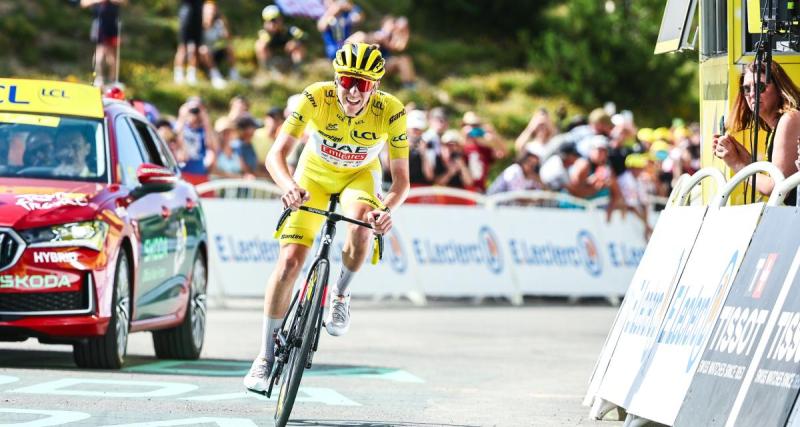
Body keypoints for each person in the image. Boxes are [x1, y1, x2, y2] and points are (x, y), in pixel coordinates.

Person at [243, 42, 409, 393]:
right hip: (313, 175)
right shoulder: (316, 97)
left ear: (374, 88)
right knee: (289, 262)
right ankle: (264, 356)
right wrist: (288, 186)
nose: (351, 90)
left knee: (363, 223)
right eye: (346, 80)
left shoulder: (391, 110)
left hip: (359, 178)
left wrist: (386, 210)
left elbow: (402, 180)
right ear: (336, 78)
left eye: (361, 84)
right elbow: (276, 155)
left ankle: (340, 295)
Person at [713, 60, 800, 205]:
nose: (752, 94)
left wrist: (737, 163)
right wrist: (746, 160)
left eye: (760, 87)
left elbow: (777, 188)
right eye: (746, 89)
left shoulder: (790, 118)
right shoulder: (777, 124)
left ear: (779, 88)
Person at [81, 0, 126, 87]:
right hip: (100, 24)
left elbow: (124, 2)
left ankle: (112, 81)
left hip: (113, 24)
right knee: (100, 51)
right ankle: (99, 79)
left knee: (112, 55)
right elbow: (83, 3)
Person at [175, 97, 217, 184]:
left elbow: (212, 146)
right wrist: (182, 117)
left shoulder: (204, 130)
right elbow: (174, 139)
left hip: (200, 174)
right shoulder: (181, 127)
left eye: (198, 108)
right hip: (182, 173)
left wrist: (206, 122)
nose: (194, 112)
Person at [254, 5, 306, 74]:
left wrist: (295, 43)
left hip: (288, 59)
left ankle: (297, 71)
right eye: (269, 21)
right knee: (260, 45)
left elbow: (305, 37)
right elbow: (262, 44)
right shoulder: (264, 33)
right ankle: (267, 71)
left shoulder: (290, 29)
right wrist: (269, 33)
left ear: (280, 19)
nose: (272, 24)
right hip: (274, 60)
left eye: (274, 20)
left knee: (298, 46)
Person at [199, 0, 235, 88]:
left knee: (229, 47)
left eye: (213, 10)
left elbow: (228, 38)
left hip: (214, 52)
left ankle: (234, 73)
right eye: (209, 10)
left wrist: (224, 23)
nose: (212, 12)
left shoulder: (218, 23)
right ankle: (215, 76)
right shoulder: (198, 24)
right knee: (204, 49)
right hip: (201, 56)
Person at [174, 0, 205, 85]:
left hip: (198, 15)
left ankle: (192, 74)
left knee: (196, 47)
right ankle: (178, 74)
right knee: (183, 46)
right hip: (186, 15)